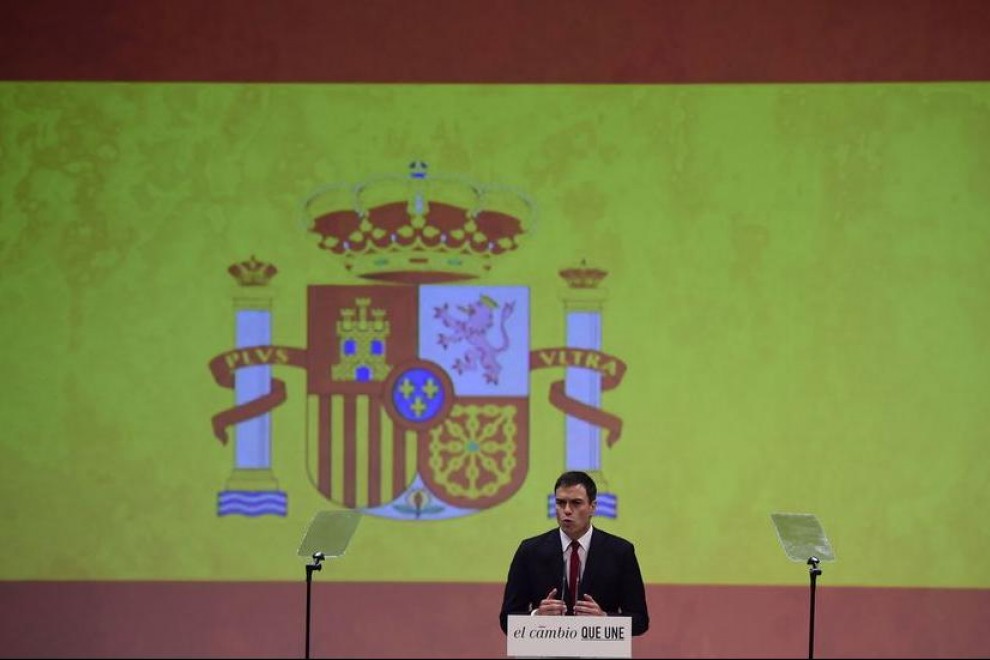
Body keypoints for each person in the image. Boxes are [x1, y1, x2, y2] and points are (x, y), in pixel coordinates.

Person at [498, 470, 650, 636]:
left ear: (593, 507)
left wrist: (605, 620)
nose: (567, 510)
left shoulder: (620, 552)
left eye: (576, 503)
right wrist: (536, 616)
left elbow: (640, 620)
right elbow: (507, 619)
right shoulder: (530, 551)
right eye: (561, 503)